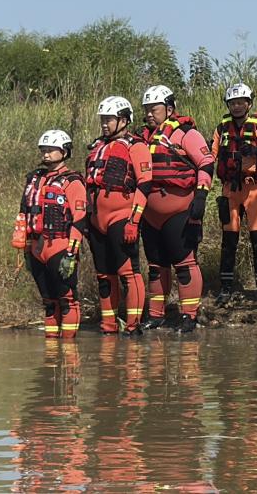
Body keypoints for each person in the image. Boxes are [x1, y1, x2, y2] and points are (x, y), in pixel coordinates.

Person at [139, 85, 214, 332]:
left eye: (155, 109)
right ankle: (156, 314)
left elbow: (206, 162)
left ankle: (189, 315)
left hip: (179, 209)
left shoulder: (185, 134)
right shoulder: (141, 139)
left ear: (169, 109)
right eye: (147, 110)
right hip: (150, 214)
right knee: (155, 267)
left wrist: (201, 197)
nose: (150, 114)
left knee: (184, 264)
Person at [83, 96, 152, 336]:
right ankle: (109, 326)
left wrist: (134, 221)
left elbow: (144, 185)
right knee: (104, 276)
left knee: (128, 273)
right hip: (96, 220)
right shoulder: (98, 147)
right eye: (102, 119)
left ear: (123, 120)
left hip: (122, 216)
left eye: (109, 119)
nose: (104, 123)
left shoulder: (137, 146)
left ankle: (133, 326)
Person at [211, 82, 257, 303]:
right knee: (228, 241)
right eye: (233, 103)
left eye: (241, 102)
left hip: (253, 189)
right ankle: (226, 288)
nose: (237, 106)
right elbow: (210, 155)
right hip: (230, 189)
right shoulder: (221, 128)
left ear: (249, 104)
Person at [18, 130, 87, 339]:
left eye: (51, 150)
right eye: (44, 150)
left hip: (61, 245)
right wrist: (27, 248)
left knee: (67, 299)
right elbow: (26, 212)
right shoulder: (35, 179)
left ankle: (68, 352)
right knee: (48, 301)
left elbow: (80, 218)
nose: (46, 154)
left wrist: (71, 254)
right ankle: (51, 355)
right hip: (37, 246)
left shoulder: (72, 181)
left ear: (64, 152)